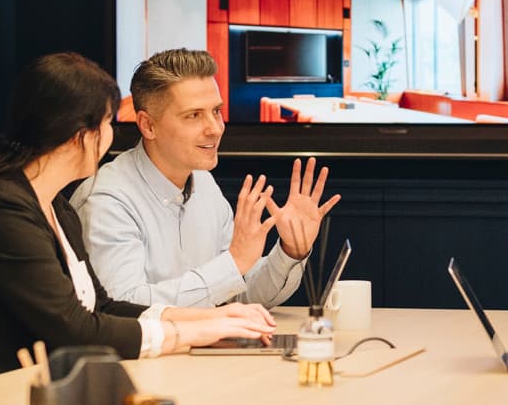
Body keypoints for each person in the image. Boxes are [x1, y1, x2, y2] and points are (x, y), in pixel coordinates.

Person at [0, 52, 277, 391]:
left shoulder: (54, 206)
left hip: (38, 396)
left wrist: (203, 321)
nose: (112, 135)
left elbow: (103, 307)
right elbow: (75, 327)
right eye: (106, 122)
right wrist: (189, 333)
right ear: (77, 133)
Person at [73, 48, 340, 309]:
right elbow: (123, 306)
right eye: (194, 115)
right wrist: (233, 263)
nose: (215, 129)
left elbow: (239, 293)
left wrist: (290, 250)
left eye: (216, 111)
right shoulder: (106, 200)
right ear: (148, 125)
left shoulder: (203, 183)